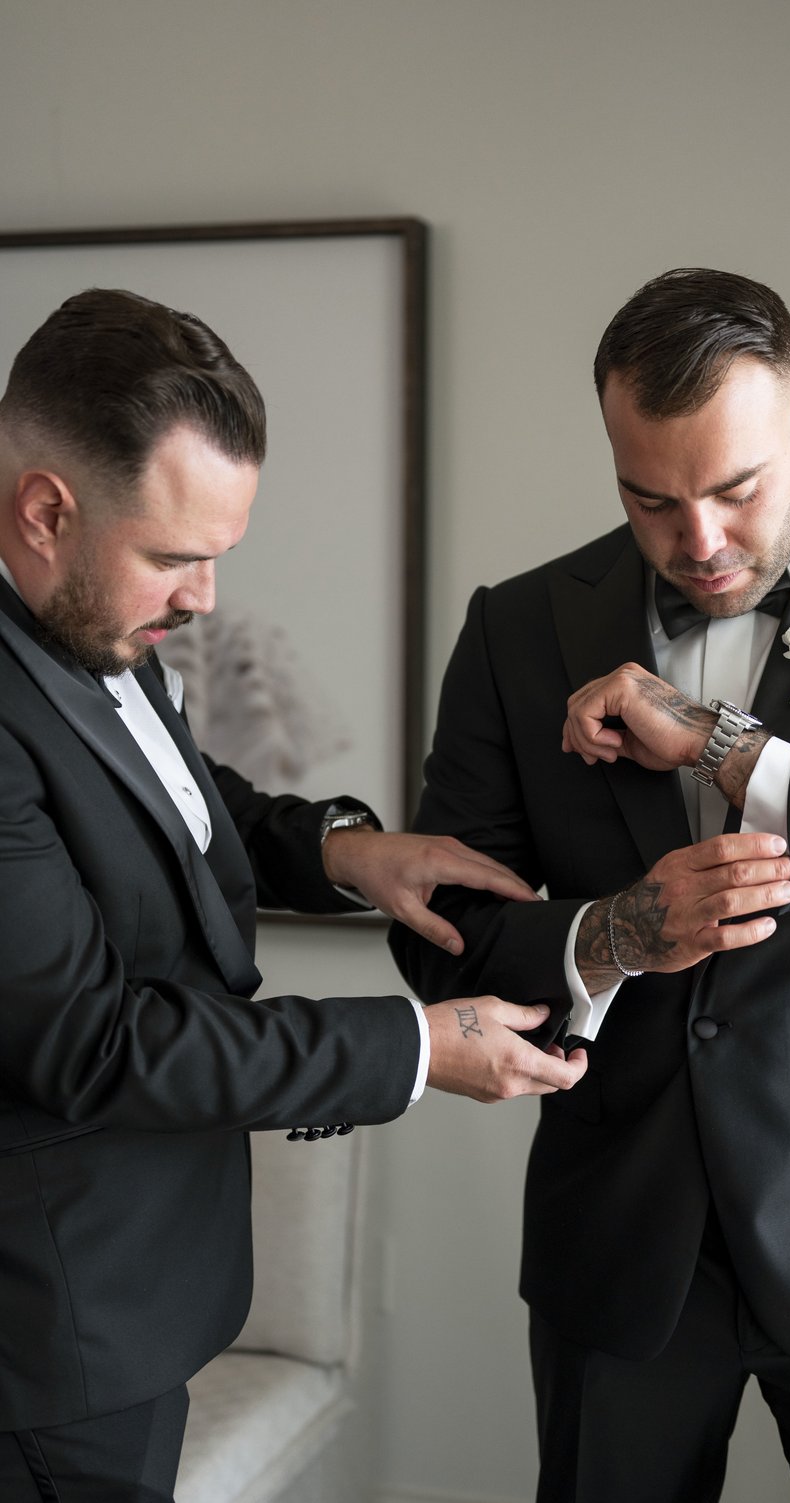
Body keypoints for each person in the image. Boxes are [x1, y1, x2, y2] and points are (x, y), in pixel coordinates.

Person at [389, 267, 790, 1502]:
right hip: (622, 1237)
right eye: (650, 499)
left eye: (734, 489)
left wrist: (731, 750)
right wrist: (611, 935)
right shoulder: (516, 628)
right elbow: (440, 923)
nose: (699, 542)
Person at [0, 288, 587, 1502]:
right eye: (176, 559)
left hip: (130, 1308)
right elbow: (94, 1044)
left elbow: (153, 793)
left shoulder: (83, 623)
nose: (204, 599)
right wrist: (418, 1050)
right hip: (49, 1348)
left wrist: (334, 851)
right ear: (47, 510)